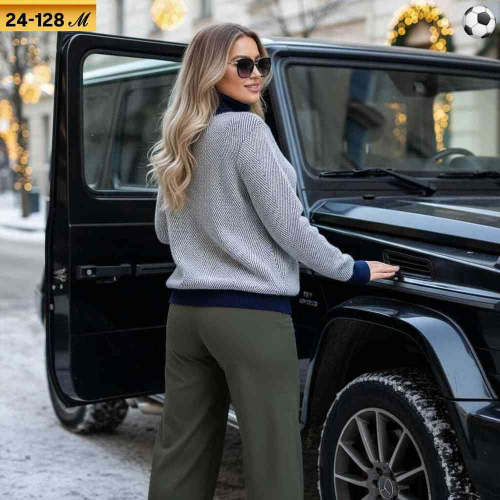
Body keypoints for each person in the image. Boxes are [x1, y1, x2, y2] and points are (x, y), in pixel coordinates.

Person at [146, 22, 400, 500]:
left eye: (260, 63)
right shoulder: (246, 129)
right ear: (209, 70)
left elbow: (165, 229)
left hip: (187, 315)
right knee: (274, 456)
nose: (256, 74)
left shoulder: (182, 136)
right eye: (242, 64)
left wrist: (211, 226)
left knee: (181, 450)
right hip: (250, 317)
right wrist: (352, 268)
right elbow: (290, 228)